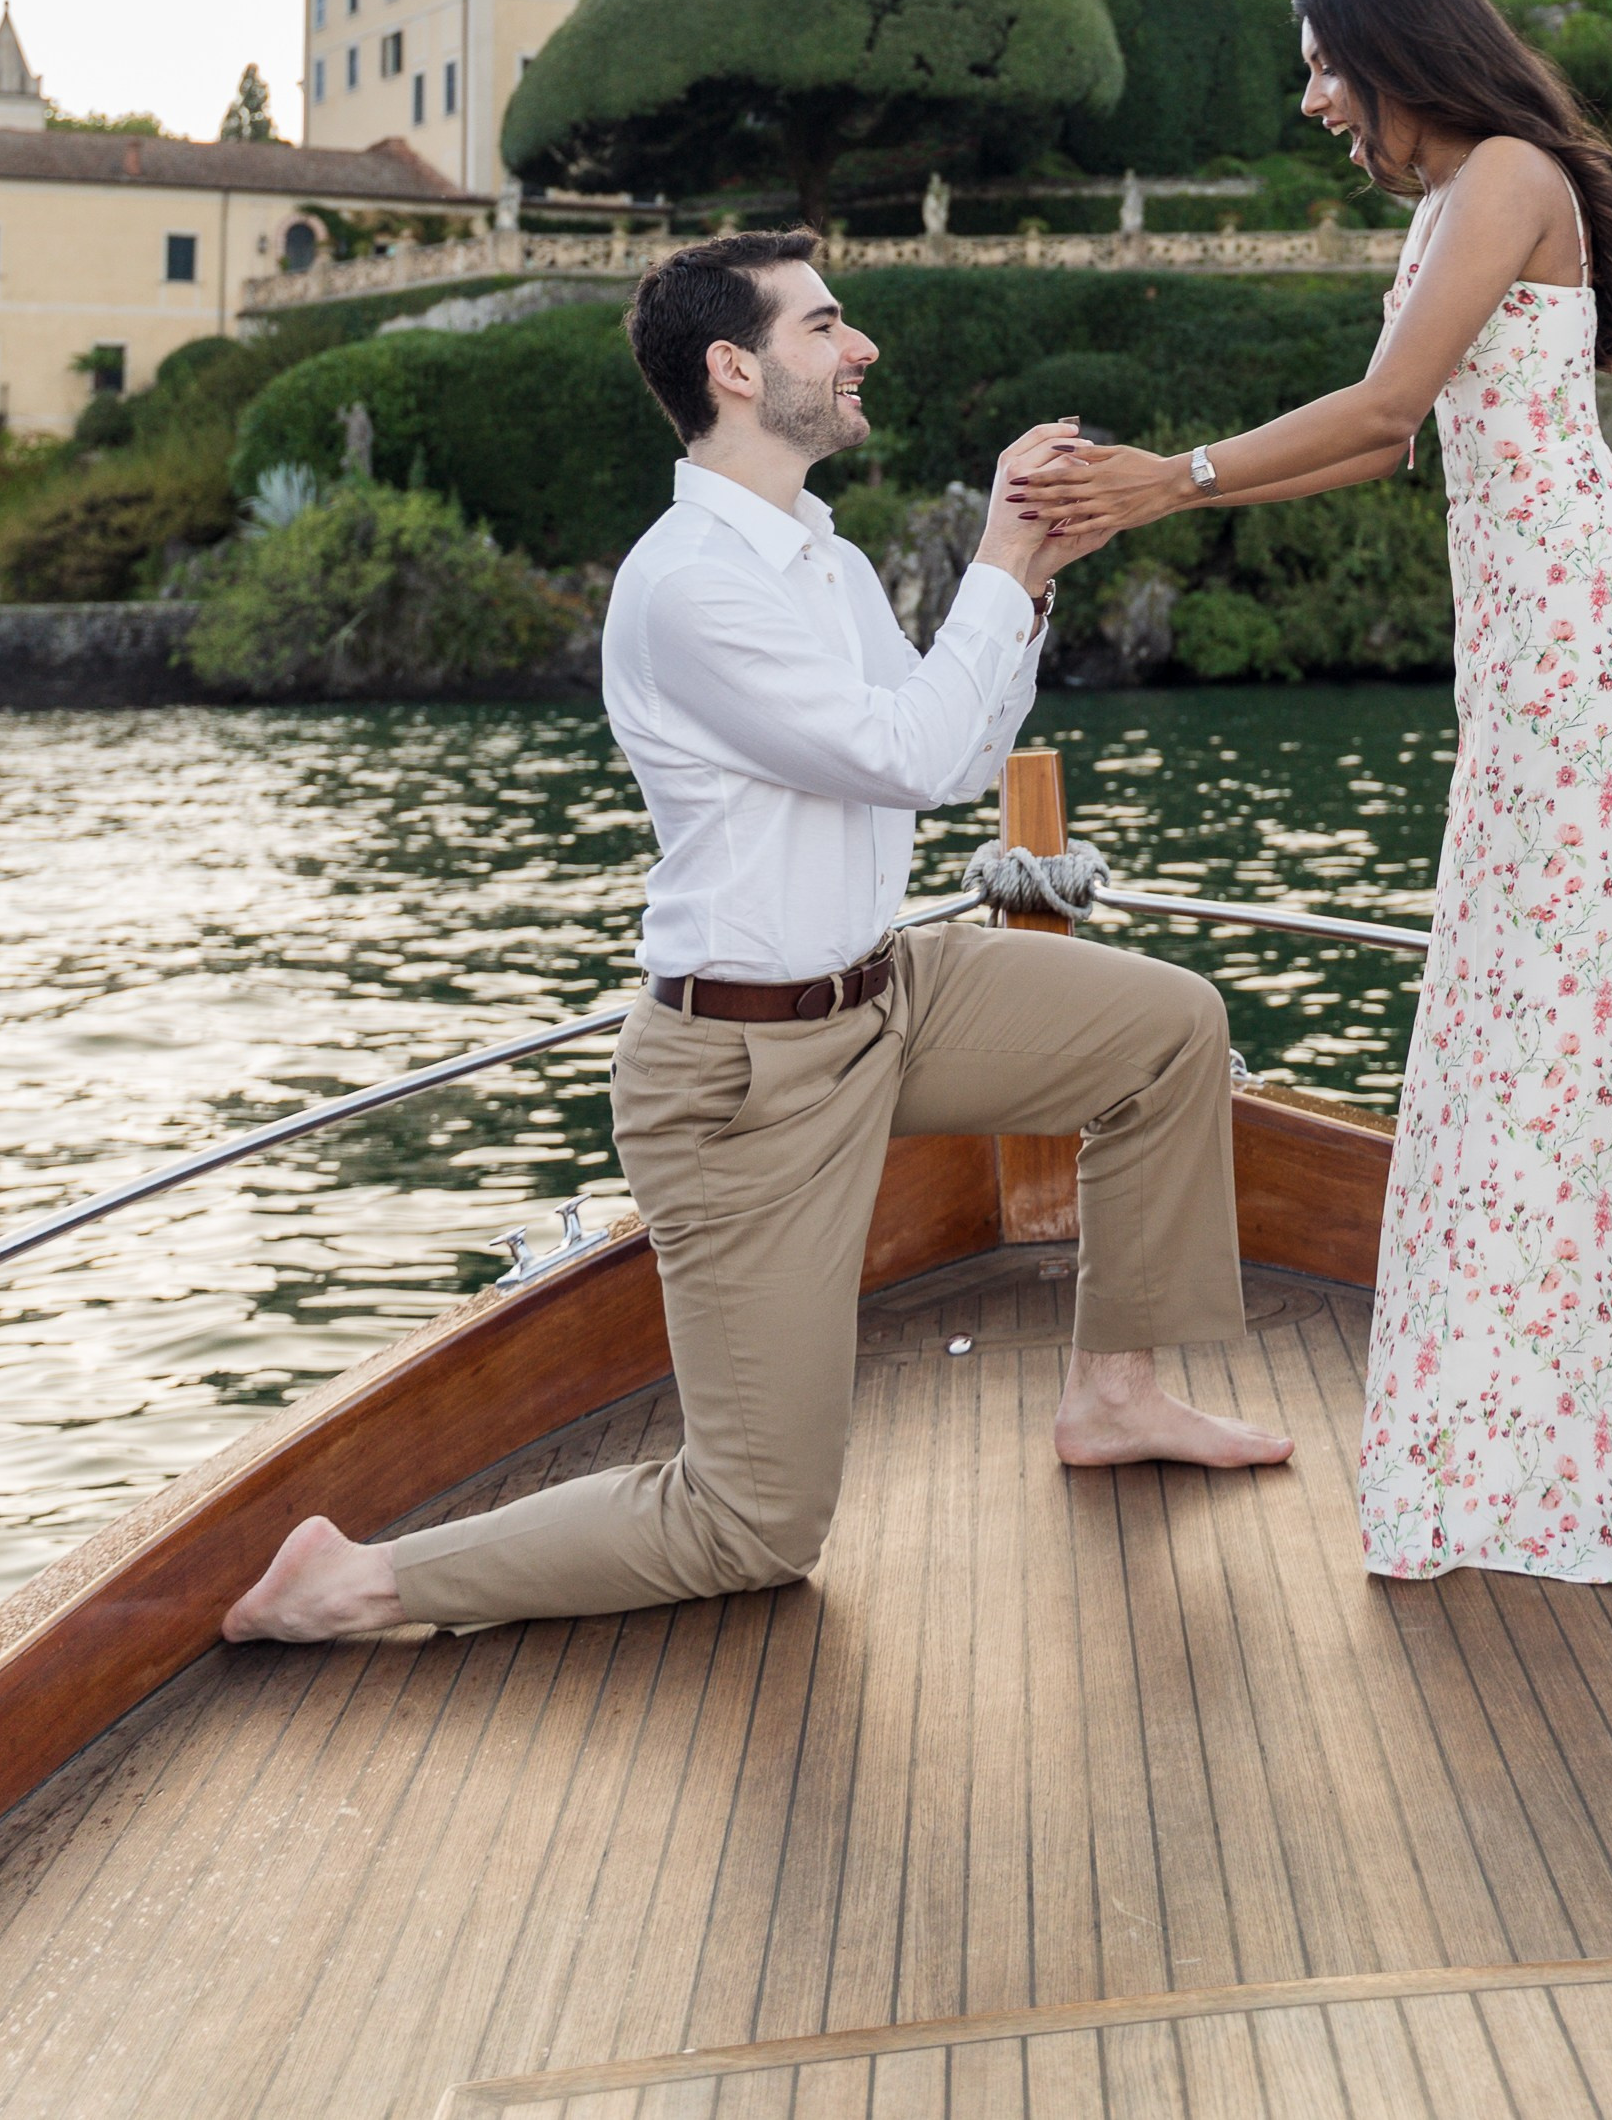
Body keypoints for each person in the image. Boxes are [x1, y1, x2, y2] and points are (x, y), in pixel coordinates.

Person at [224, 231, 1287, 1649]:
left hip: (888, 994)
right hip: (743, 1073)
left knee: (1165, 1030)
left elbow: (957, 756)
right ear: (736, 368)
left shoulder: (823, 562)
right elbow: (910, 754)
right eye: (827, 325)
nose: (862, 350)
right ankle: (355, 1582)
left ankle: (1114, 1396)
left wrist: (1025, 579)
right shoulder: (689, 586)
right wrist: (992, 552)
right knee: (756, 1524)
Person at [1017, 0, 1612, 1584]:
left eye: (1325, 65)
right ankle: (1534, 1419)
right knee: (1526, 1004)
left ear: (1397, 49)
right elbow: (1383, 442)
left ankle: (1558, 1440)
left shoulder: (1508, 174)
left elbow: (1383, 405)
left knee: (1557, 1009)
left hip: (1580, 629)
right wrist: (1165, 492)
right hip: (1532, 631)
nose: (1312, 97)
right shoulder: (1465, 195)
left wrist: (1165, 484)